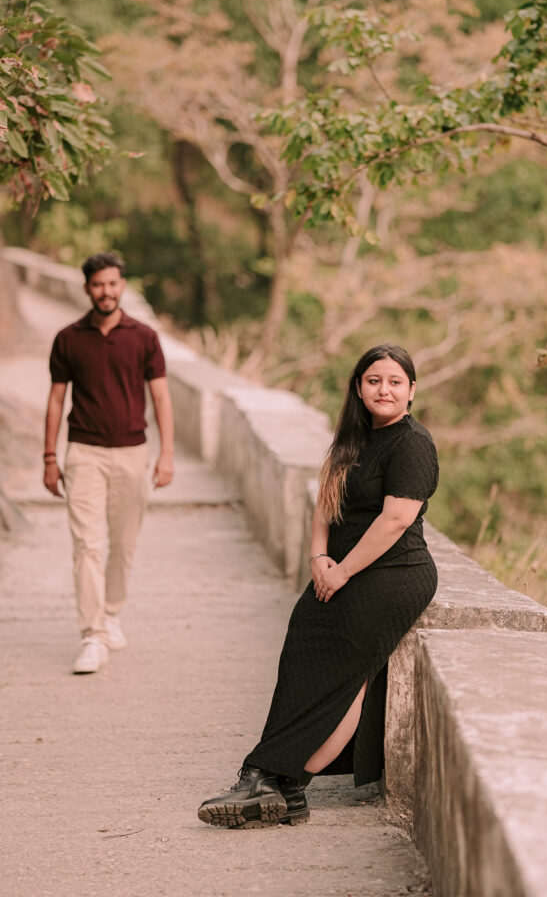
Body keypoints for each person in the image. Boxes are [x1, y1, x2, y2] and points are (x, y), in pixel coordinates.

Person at [198, 342, 438, 829]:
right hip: (340, 570)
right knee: (303, 648)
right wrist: (319, 557)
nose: (384, 389)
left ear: (411, 390)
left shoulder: (412, 443)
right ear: (358, 387)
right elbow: (324, 505)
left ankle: (275, 779)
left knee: (345, 672)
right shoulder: (352, 439)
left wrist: (343, 571)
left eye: (395, 381)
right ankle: (279, 787)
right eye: (374, 380)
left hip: (392, 575)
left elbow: (396, 520)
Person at [43, 252, 174, 675]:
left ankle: (112, 612)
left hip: (133, 453)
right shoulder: (67, 338)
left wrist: (166, 453)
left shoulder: (144, 337)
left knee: (123, 544)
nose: (106, 291)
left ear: (122, 285)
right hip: (83, 453)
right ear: (87, 289)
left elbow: (160, 398)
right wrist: (50, 456)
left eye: (113, 283)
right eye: (98, 284)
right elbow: (56, 400)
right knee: (87, 544)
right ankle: (92, 634)